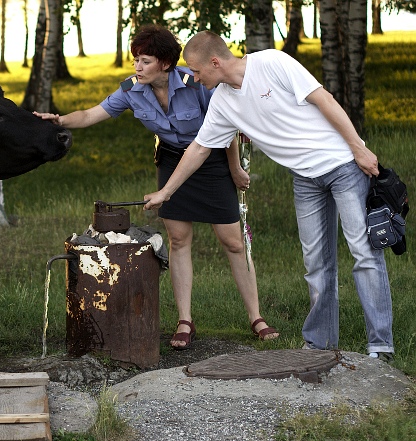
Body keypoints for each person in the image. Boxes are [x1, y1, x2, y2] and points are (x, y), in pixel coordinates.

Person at [144, 30, 394, 360]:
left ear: (215, 62)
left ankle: (381, 347)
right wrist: (166, 191)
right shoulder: (222, 101)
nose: (194, 77)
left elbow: (324, 100)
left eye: (196, 70)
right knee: (316, 264)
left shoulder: (272, 62)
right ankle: (319, 345)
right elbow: (199, 149)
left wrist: (358, 148)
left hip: (343, 166)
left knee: (363, 253)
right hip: (305, 180)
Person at [34, 24, 278, 350]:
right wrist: (60, 120)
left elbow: (227, 125)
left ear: (164, 63)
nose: (137, 66)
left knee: (233, 242)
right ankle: (185, 321)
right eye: (136, 60)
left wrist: (234, 168)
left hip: (211, 160)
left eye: (145, 61)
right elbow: (91, 115)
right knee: (178, 239)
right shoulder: (131, 90)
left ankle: (256, 317)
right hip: (172, 161)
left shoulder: (196, 83)